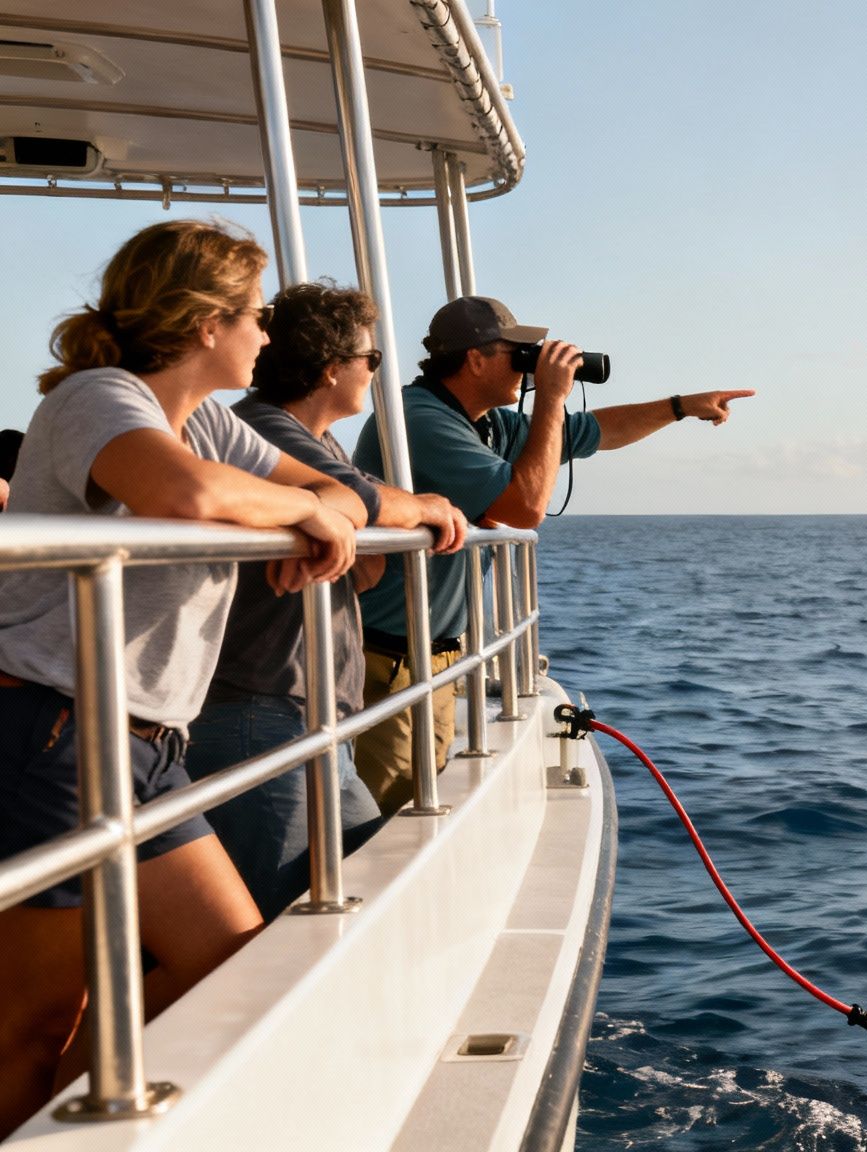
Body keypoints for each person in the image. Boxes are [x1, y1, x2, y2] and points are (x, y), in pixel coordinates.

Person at [0, 220, 360, 1133]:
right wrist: (298, 516)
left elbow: (343, 494)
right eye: (258, 315)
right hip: (57, 730)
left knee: (234, 958)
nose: (268, 334)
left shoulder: (200, 421)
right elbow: (187, 497)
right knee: (35, 1019)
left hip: (142, 743)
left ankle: (51, 1111)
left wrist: (325, 513)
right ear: (208, 323)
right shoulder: (99, 397)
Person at [349, 296, 752, 814]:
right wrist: (551, 400)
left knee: (415, 802)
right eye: (516, 351)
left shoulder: (484, 422)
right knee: (387, 821)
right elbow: (526, 508)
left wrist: (679, 407)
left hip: (429, 653)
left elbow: (597, 433)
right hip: (390, 658)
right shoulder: (422, 420)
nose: (529, 362)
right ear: (474, 359)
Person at [184, 281, 469, 920]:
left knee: (361, 889)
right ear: (330, 367)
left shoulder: (310, 440)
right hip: (259, 714)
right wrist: (419, 506)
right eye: (370, 359)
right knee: (279, 924)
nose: (376, 372)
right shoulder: (267, 431)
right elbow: (365, 503)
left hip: (308, 714)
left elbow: (355, 525)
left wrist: (357, 529)